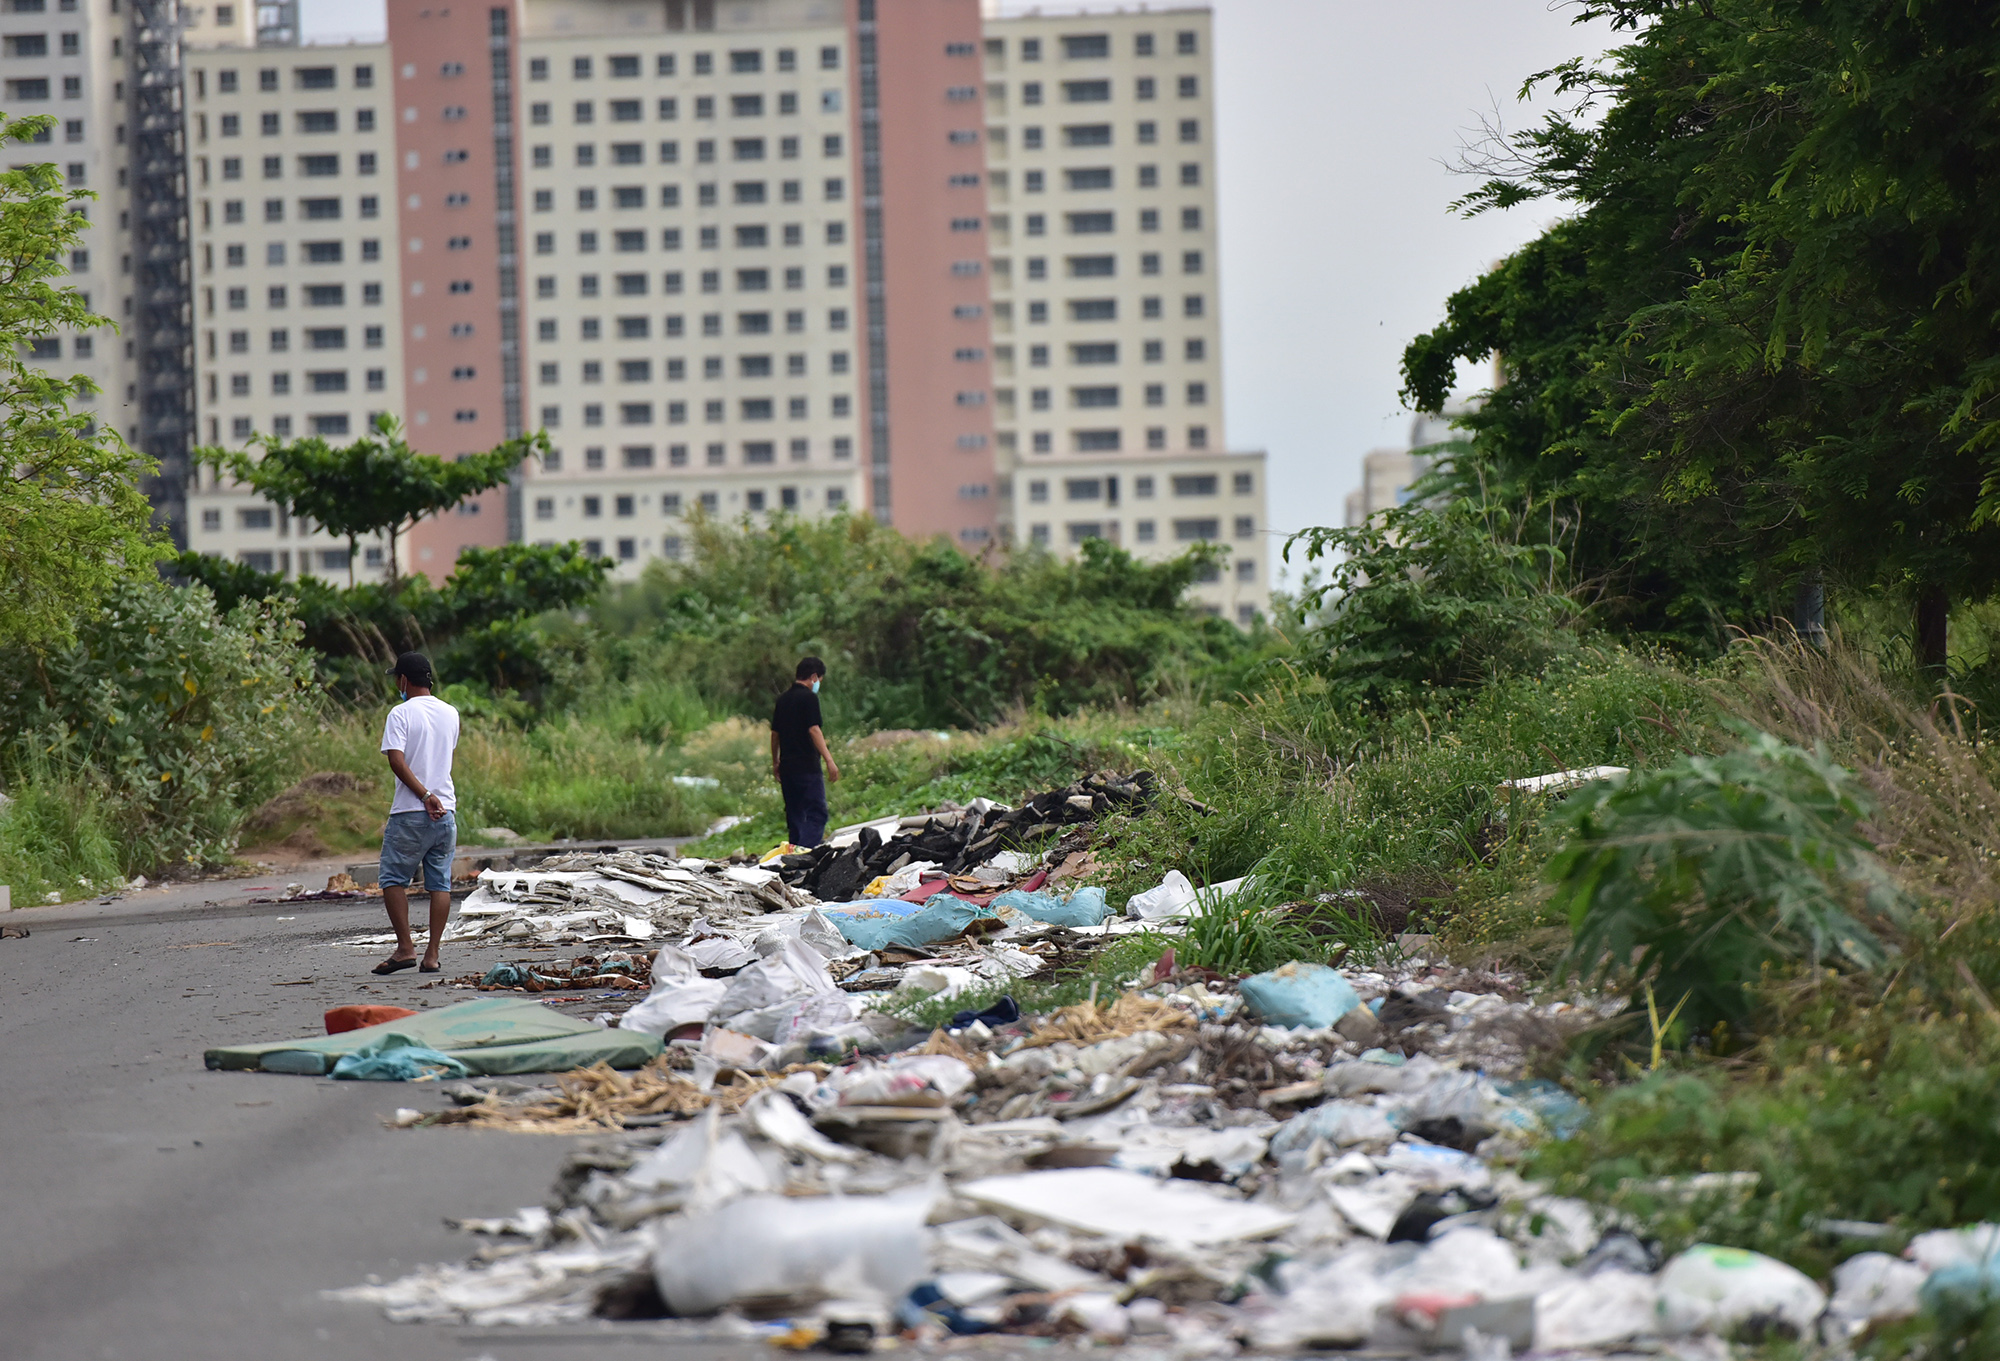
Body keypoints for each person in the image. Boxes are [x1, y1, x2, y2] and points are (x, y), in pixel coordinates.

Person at [373, 651, 461, 975]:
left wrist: (424, 795)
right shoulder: (451, 713)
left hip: (412, 811)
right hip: (446, 812)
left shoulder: (400, 714)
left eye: (396, 678)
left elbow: (397, 760)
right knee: (440, 884)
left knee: (393, 879)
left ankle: (405, 948)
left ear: (404, 681)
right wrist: (436, 798)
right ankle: (432, 954)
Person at [771, 655, 840, 846]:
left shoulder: (782, 700)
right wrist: (829, 760)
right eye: (820, 681)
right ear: (814, 677)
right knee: (817, 813)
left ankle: (792, 857)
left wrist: (775, 762)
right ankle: (805, 854)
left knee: (795, 816)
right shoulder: (809, 698)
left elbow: (775, 734)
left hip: (787, 765)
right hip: (807, 765)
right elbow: (814, 729)